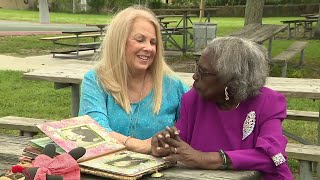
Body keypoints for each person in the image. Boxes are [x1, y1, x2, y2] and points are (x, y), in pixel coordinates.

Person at [151, 37, 293, 179]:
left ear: (230, 80)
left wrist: (205, 158)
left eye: (202, 72)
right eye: (196, 67)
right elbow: (181, 145)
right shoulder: (193, 99)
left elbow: (273, 156)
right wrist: (166, 145)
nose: (194, 76)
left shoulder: (268, 102)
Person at [78, 6, 189, 154]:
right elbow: (94, 130)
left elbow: (199, 120)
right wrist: (143, 146)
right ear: (119, 41)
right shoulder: (96, 80)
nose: (148, 48)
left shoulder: (172, 84)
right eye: (140, 39)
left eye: (153, 42)